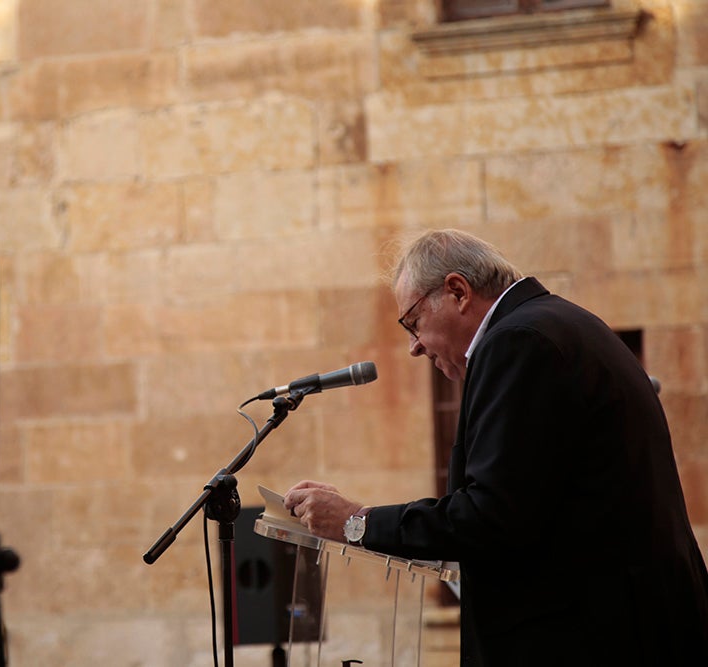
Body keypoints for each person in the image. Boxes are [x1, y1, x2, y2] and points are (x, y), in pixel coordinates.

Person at [283, 229, 708, 666]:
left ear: (457, 292)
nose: (413, 347)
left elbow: (491, 516)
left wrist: (357, 523)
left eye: (412, 322)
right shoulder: (556, 324)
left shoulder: (518, 342)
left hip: (592, 639)